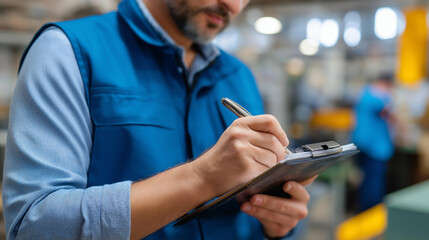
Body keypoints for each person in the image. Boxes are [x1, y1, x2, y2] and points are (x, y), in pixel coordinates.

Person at [2, 0, 314, 239]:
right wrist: (201, 178)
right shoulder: (66, 51)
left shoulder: (239, 76)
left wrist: (278, 224)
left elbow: (250, 214)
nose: (233, 6)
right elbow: (35, 224)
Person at [352, 73, 395, 212]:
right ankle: (372, 213)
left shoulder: (364, 94)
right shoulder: (378, 97)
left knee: (366, 180)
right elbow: (388, 112)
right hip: (375, 147)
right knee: (374, 182)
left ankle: (363, 212)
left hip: (362, 144)